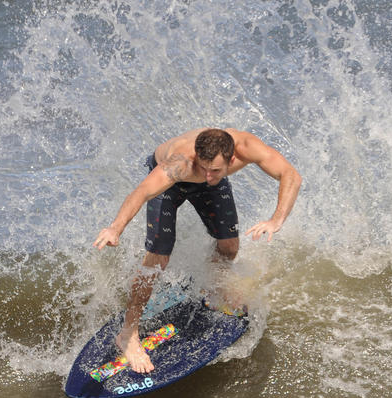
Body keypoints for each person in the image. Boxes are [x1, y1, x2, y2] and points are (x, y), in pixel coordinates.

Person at [92, 127, 301, 373]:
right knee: (158, 259)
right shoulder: (180, 164)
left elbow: (291, 175)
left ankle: (212, 289)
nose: (207, 175)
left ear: (232, 159)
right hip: (172, 186)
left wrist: (275, 221)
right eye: (203, 168)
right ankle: (128, 334)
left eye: (215, 170)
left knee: (229, 245)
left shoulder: (246, 147)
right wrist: (115, 228)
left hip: (209, 180)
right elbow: (142, 192)